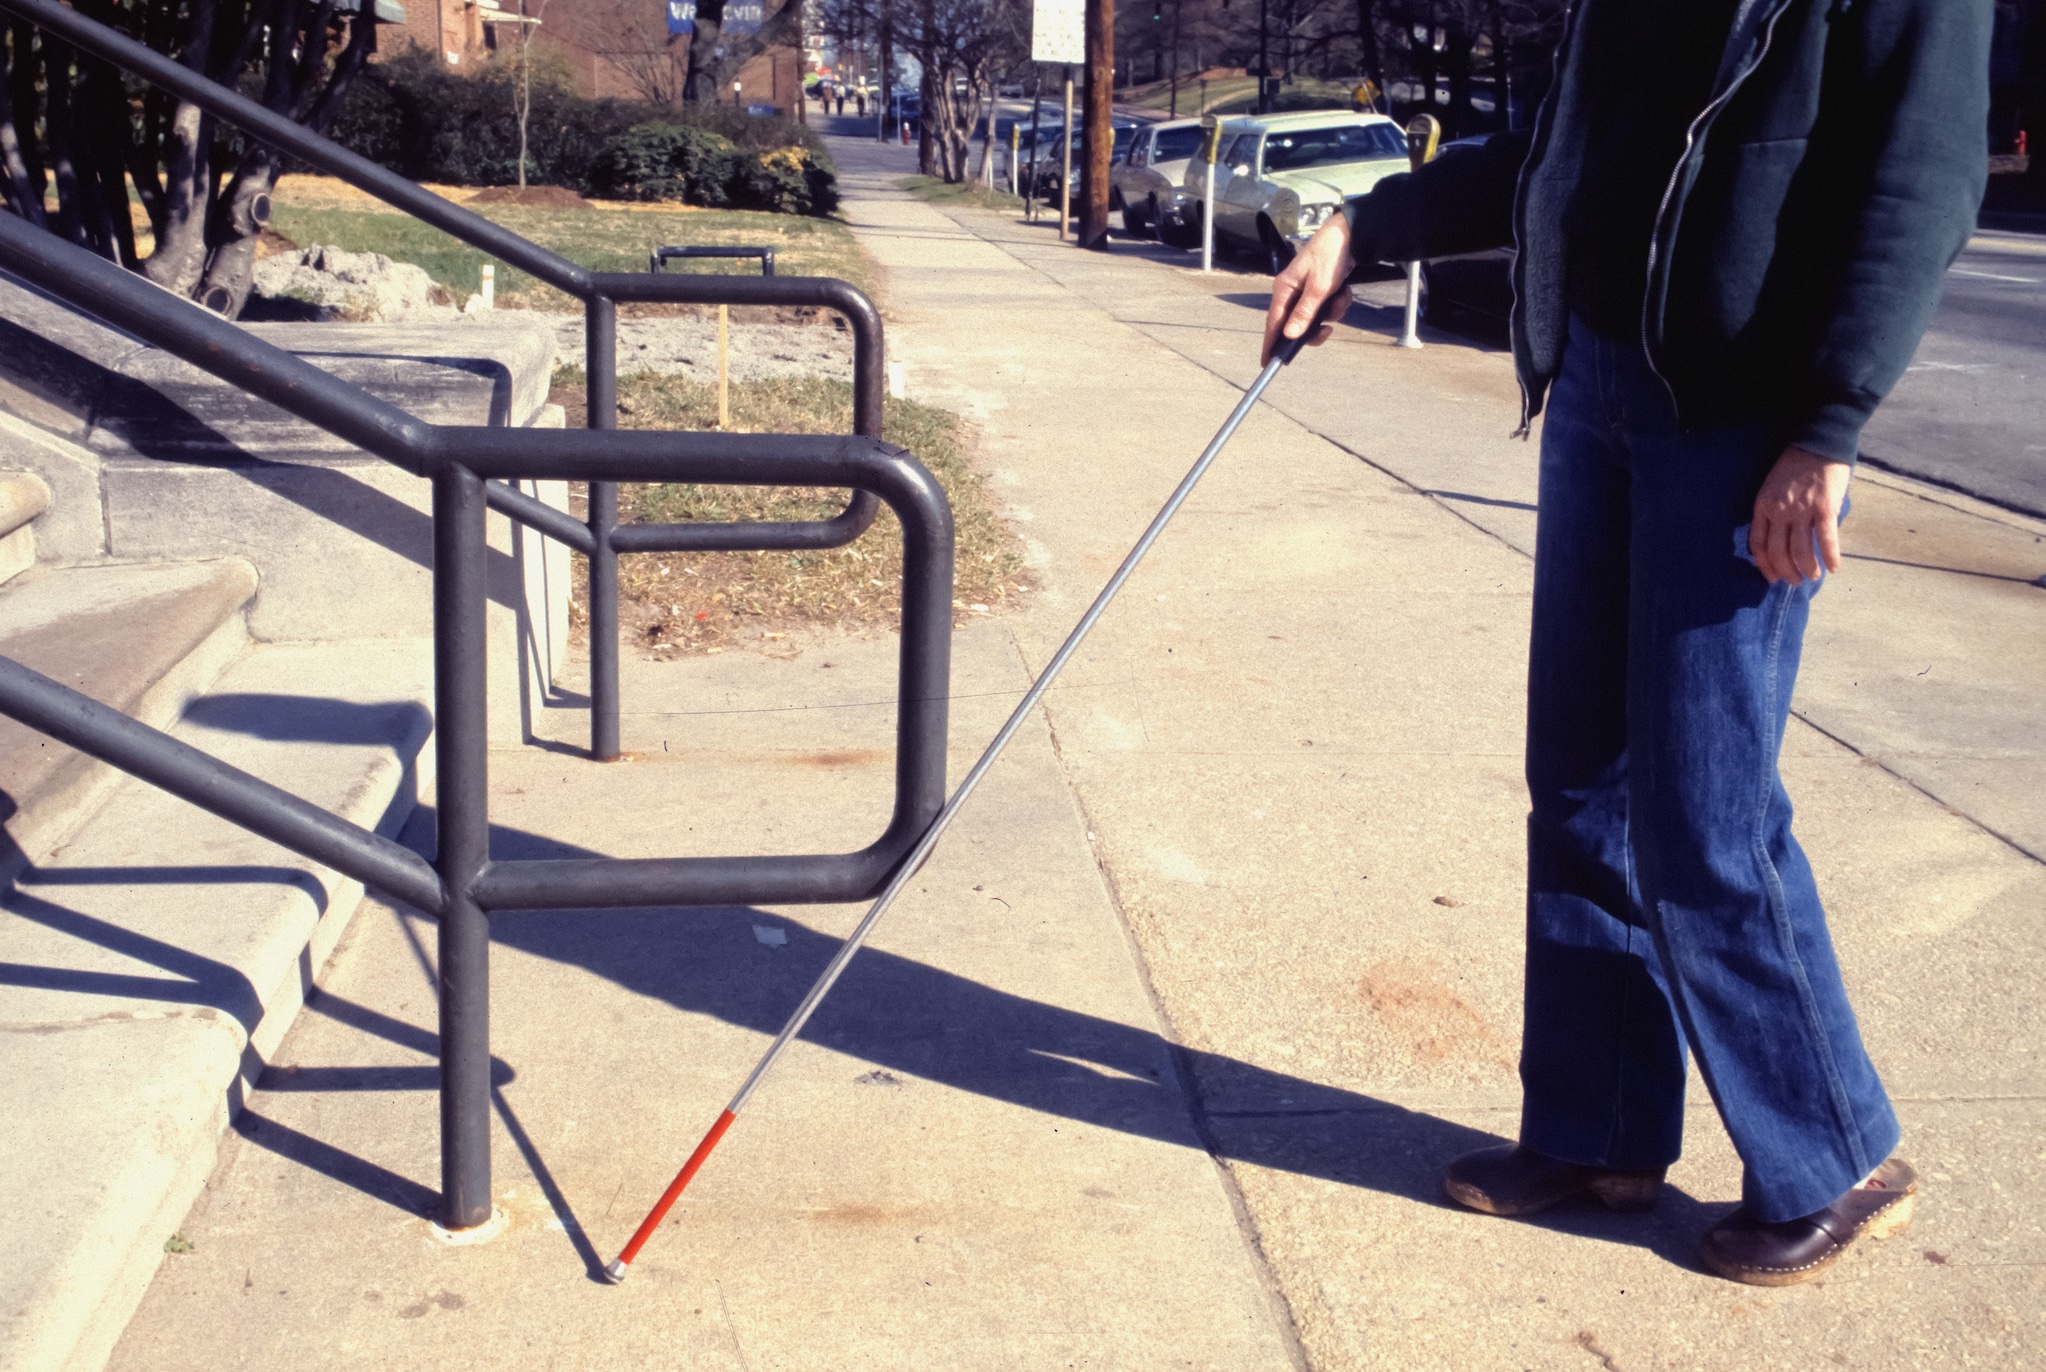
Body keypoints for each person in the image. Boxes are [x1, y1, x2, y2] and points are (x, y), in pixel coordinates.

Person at [1265, 0, 1989, 1286]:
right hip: (1598, 378)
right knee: (1580, 786)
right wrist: (1365, 228)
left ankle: (1835, 1152)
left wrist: (1827, 427)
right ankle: (1597, 1131)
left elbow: (1917, 179)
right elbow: (1561, 146)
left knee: (1706, 812)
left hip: (1740, 416)